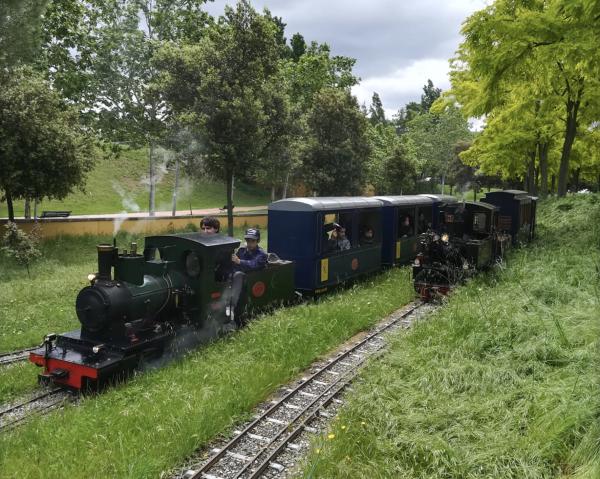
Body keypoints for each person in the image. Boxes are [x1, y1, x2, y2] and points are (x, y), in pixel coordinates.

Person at [227, 228, 267, 324]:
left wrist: (239, 261)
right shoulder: (241, 251)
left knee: (238, 275)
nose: (250, 243)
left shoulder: (262, 254)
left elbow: (254, 264)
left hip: (252, 281)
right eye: (248, 240)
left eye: (252, 241)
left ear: (257, 241)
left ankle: (233, 305)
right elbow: (233, 264)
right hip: (238, 281)